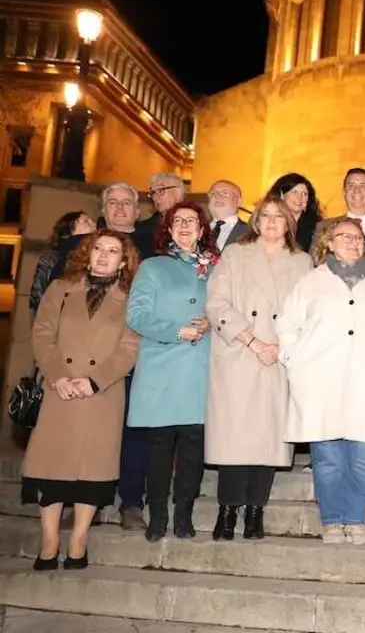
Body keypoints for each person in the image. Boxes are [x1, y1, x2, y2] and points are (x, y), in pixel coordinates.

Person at [278, 219, 365, 544]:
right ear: (330, 242)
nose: (353, 242)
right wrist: (294, 363)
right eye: (345, 237)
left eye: (358, 237)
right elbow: (287, 326)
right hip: (320, 383)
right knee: (328, 459)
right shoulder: (310, 283)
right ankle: (332, 521)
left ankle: (356, 519)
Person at [23, 230, 141, 570]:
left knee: (93, 471)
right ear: (86, 254)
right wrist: (58, 376)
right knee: (51, 468)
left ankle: (78, 539)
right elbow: (42, 335)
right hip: (59, 390)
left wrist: (94, 381)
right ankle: (48, 540)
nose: (104, 256)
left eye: (113, 251)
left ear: (123, 262)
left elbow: (130, 348)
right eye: (98, 249)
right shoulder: (60, 289)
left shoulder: (131, 298)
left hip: (102, 393)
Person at [204, 196, 313, 541]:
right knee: (235, 438)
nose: (269, 222)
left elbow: (310, 313)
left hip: (279, 359)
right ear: (255, 222)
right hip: (240, 354)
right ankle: (227, 509)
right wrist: (252, 342)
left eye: (277, 217)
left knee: (267, 439)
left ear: (288, 224)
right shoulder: (237, 254)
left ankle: (255, 510)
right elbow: (216, 301)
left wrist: (280, 347)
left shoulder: (302, 261)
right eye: (264, 216)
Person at [126, 202, 219, 542]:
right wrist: (177, 331)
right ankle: (157, 515)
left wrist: (212, 321)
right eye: (177, 221)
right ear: (168, 228)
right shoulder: (152, 267)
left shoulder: (216, 269)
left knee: (194, 450)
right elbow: (136, 316)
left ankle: (184, 514)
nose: (184, 226)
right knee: (160, 448)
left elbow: (226, 309)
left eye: (191, 221)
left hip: (199, 370)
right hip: (162, 370)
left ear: (202, 229)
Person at [29, 210, 95, 318]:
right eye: (85, 221)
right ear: (68, 230)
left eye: (93, 221)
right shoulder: (52, 256)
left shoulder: (96, 255)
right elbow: (38, 293)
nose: (93, 225)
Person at [314, 167, 365, 251]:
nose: (357, 190)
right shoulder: (324, 227)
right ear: (344, 192)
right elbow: (315, 261)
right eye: (351, 186)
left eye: (363, 186)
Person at [135, 172, 186, 256]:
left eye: (160, 190)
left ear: (178, 192)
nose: (154, 198)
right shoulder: (142, 230)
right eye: (152, 193)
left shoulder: (196, 225)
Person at [269, 173, 323, 252]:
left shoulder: (317, 227)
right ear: (282, 196)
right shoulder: (268, 221)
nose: (299, 197)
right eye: (294, 192)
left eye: (304, 194)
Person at [207, 180, 249, 252]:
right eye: (213, 193)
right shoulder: (196, 228)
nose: (218, 196)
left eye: (225, 193)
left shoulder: (251, 233)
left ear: (238, 202)